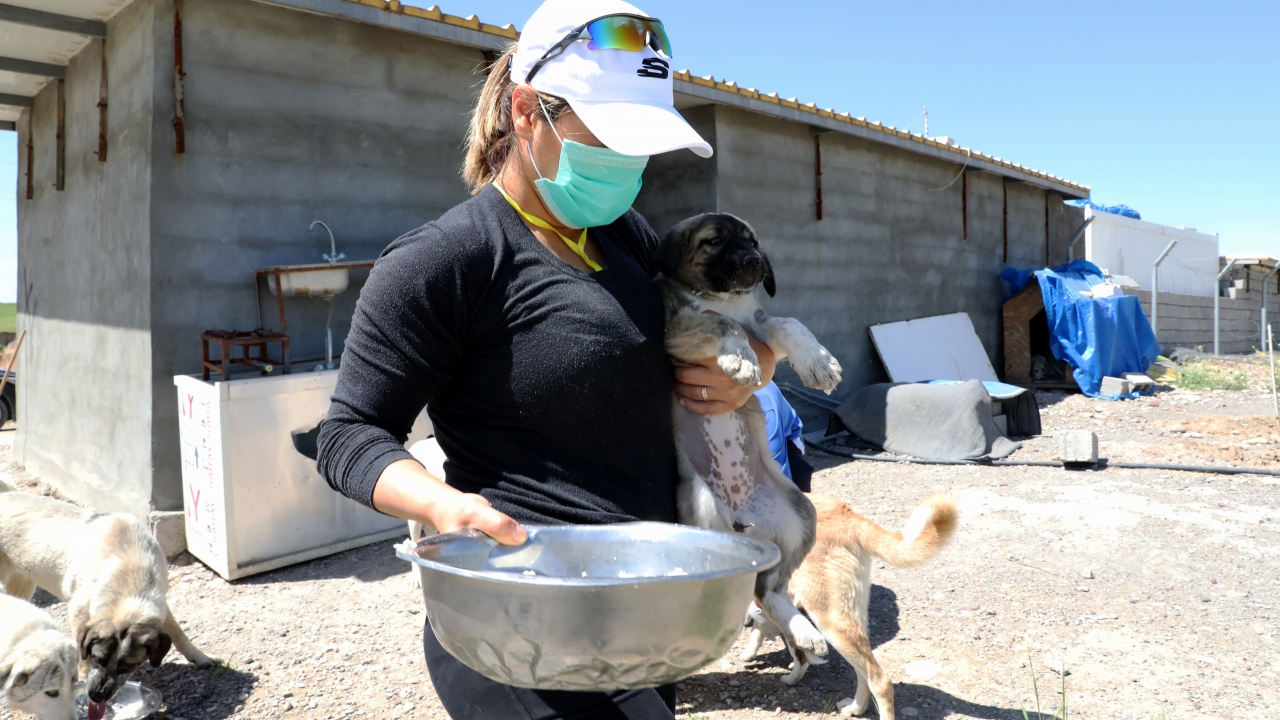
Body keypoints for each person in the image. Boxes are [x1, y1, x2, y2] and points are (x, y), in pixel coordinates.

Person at [316, 1, 777, 717]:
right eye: (610, 138)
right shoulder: (448, 261)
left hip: (644, 597)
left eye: (642, 143)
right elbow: (348, 434)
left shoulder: (622, 234)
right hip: (523, 621)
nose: (630, 163)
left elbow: (703, 322)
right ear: (527, 112)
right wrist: (443, 506)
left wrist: (757, 365)